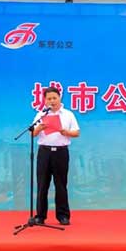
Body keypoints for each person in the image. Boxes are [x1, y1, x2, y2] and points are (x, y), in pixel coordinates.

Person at [32, 87, 80, 225]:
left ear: (59, 98)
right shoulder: (41, 114)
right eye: (49, 99)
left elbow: (77, 132)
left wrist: (66, 132)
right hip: (44, 152)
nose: (52, 101)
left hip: (61, 153)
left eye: (54, 98)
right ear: (45, 100)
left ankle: (63, 216)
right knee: (42, 185)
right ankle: (40, 216)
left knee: (61, 185)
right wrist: (39, 128)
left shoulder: (68, 114)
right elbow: (32, 133)